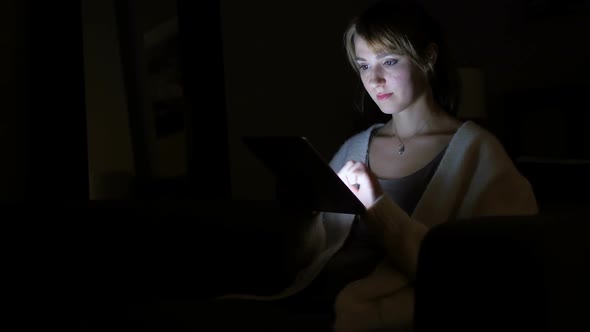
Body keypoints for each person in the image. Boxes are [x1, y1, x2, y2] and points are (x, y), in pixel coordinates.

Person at [163, 1, 538, 331]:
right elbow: (309, 255)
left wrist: (378, 206)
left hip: (372, 311)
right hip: (315, 298)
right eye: (363, 65)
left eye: (389, 61)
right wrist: (302, 210)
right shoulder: (356, 148)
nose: (374, 79)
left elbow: (490, 279)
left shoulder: (477, 153)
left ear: (428, 57)